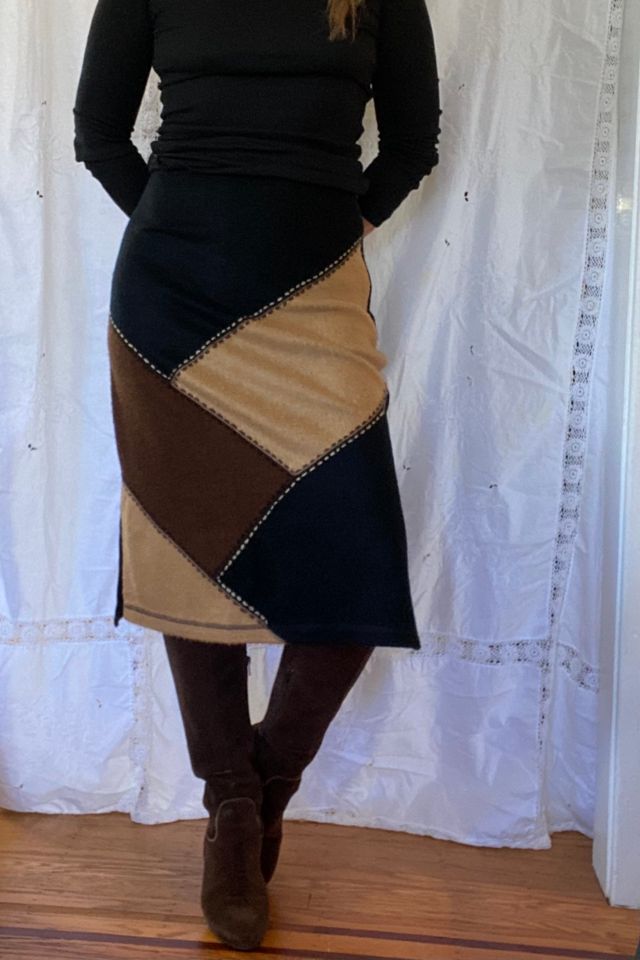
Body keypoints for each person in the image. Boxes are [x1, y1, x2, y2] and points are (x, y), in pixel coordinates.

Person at [72, 0, 441, 950]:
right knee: (192, 550)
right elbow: (97, 134)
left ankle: (263, 786)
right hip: (174, 302)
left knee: (356, 566)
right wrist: (180, 227)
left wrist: (329, 226)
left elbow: (412, 143)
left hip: (316, 293)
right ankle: (231, 811)